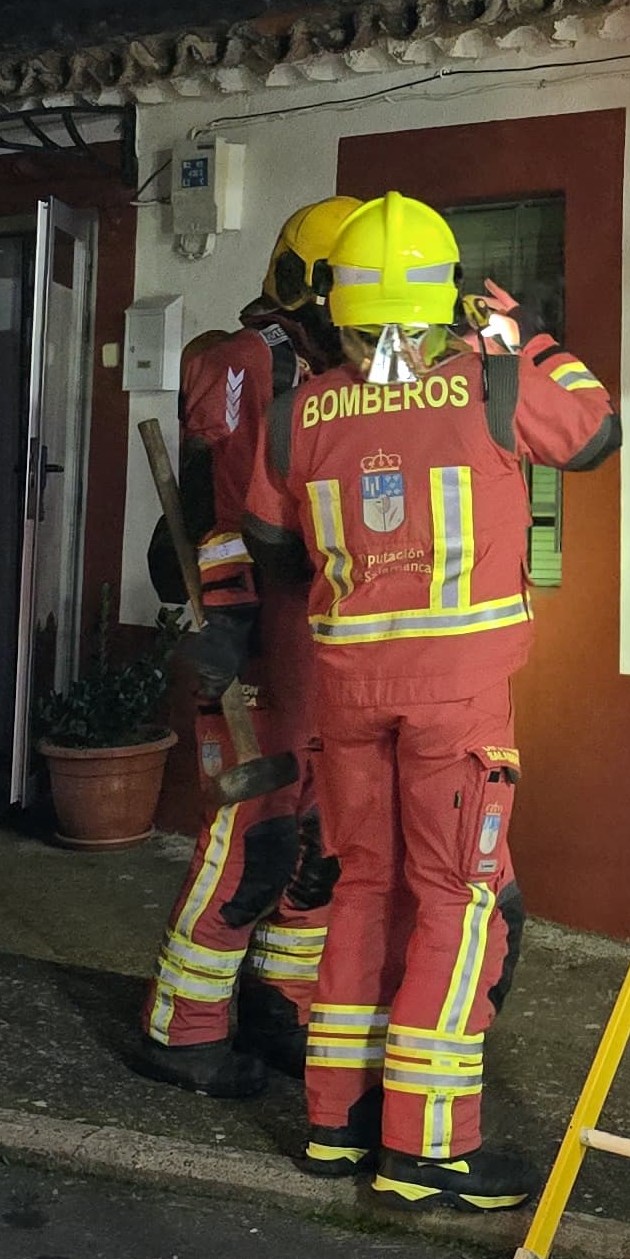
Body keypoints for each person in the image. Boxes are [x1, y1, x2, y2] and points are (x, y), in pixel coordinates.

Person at [247, 193, 619, 1210]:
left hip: (347, 694)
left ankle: (336, 1122)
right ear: (444, 297)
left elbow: (274, 547)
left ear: (339, 299)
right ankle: (429, 1147)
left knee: (363, 888)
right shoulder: (495, 385)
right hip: (457, 702)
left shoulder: (296, 410)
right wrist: (532, 336)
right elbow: (596, 431)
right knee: (460, 903)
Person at [143, 195, 358, 1097]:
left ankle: (282, 1003)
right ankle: (184, 1031)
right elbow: (229, 522)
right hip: (257, 642)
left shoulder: (345, 372)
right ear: (309, 287)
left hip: (324, 641)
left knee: (317, 840)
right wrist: (230, 627)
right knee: (250, 842)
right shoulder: (249, 365)